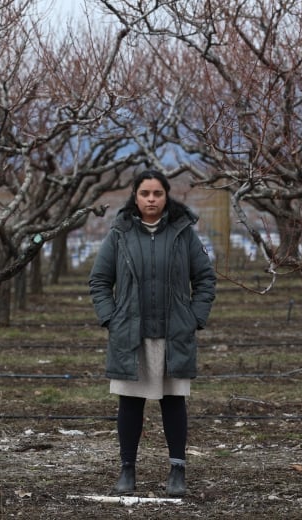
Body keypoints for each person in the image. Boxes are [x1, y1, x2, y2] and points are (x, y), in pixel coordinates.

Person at [89, 169, 216, 497]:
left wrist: (194, 318)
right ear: (135, 195)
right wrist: (111, 318)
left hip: (174, 333)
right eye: (144, 193)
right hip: (132, 334)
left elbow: (205, 279)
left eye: (157, 193)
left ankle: (177, 470)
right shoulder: (119, 232)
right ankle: (127, 470)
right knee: (130, 404)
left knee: (174, 402)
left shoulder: (184, 232)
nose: (151, 199)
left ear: (166, 195)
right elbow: (100, 281)